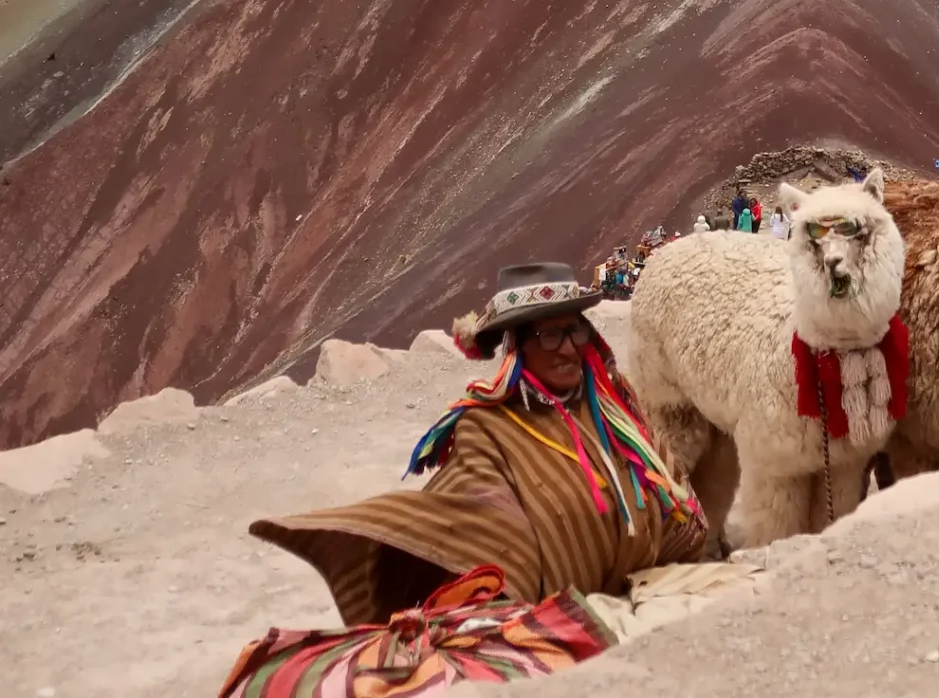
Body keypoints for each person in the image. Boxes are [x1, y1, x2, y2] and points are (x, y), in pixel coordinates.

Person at [251, 262, 704, 624]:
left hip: (647, 587)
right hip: (557, 619)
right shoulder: (485, 429)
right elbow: (479, 528)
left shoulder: (614, 408)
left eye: (575, 330)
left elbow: (672, 491)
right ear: (518, 347)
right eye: (549, 334)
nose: (568, 348)